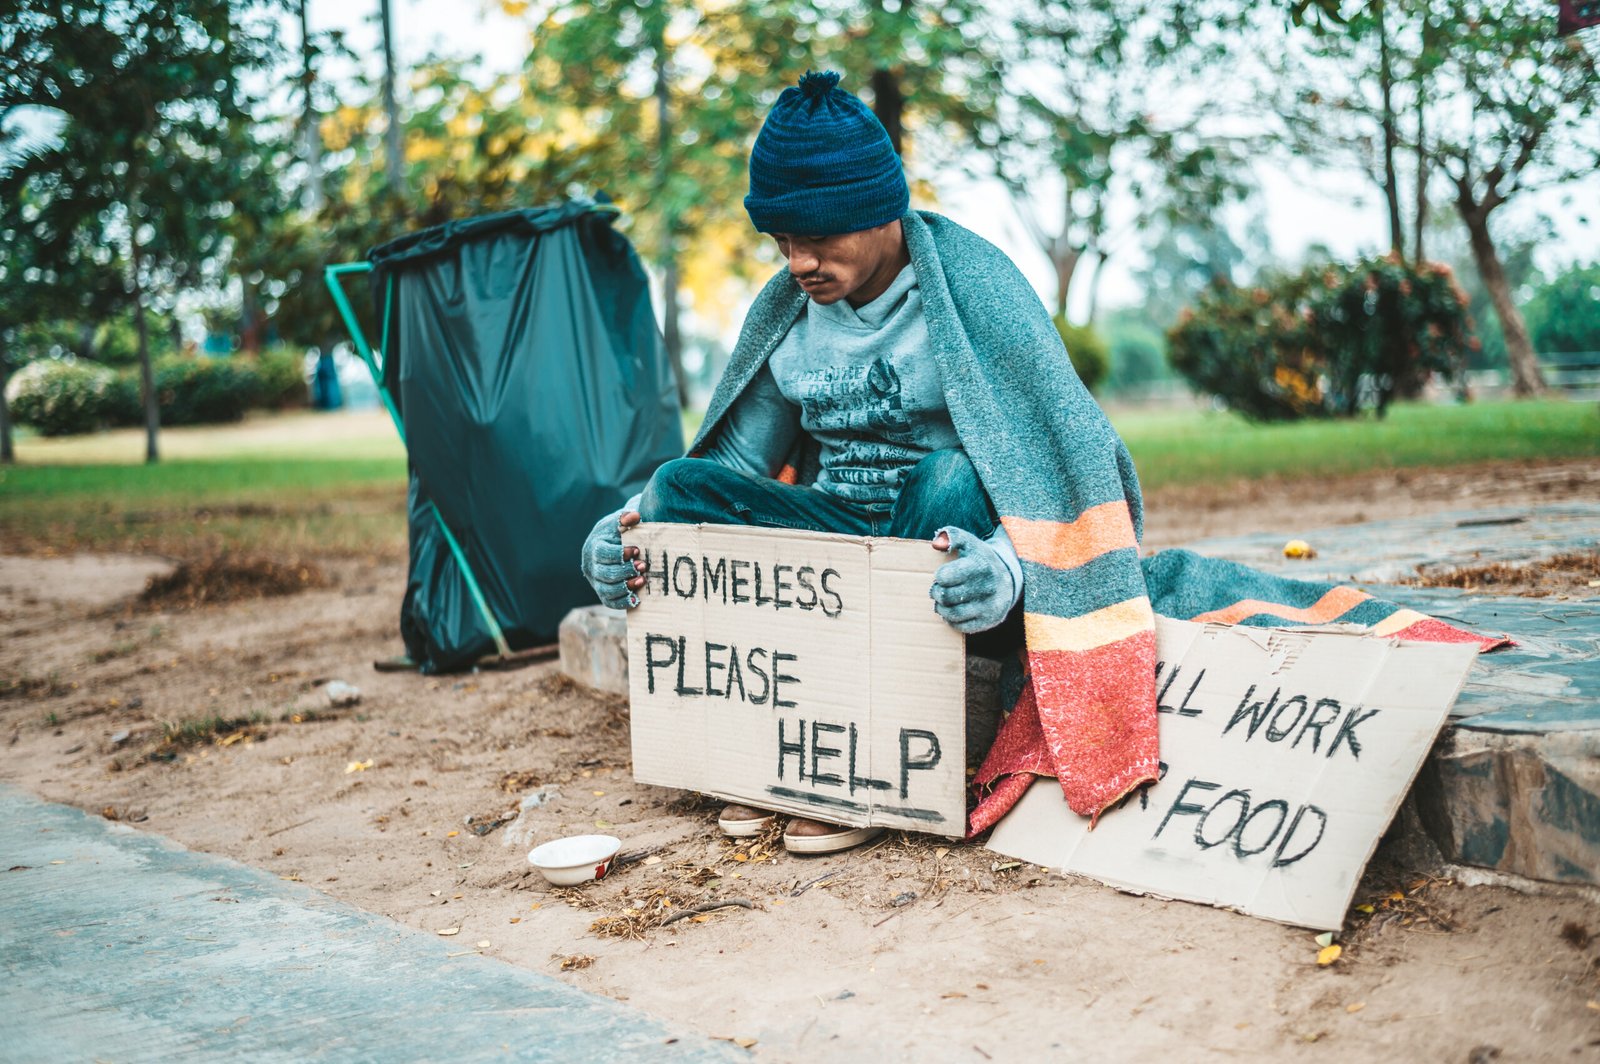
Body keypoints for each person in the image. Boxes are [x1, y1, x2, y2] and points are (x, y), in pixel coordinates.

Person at [581, 69, 1164, 854]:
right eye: (783, 241)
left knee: (949, 474)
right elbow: (729, 469)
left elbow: (1067, 461)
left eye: (819, 236)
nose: (798, 262)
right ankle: (770, 758)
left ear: (880, 210)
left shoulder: (974, 290)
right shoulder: (788, 312)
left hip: (944, 554)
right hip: (839, 541)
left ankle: (865, 777)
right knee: (675, 484)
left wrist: (1003, 568)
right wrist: (627, 533)